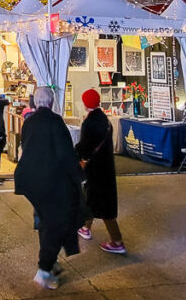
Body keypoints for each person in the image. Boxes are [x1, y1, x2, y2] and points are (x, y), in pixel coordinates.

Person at [14, 86, 84, 290]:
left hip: (31, 180)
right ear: (52, 102)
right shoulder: (55, 122)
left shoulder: (29, 122)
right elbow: (65, 153)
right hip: (50, 180)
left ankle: (49, 262)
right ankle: (44, 270)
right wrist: (78, 175)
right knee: (56, 222)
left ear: (35, 102)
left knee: (46, 219)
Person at [76, 89, 125, 254]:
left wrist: (75, 155)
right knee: (92, 199)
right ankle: (85, 227)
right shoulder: (105, 120)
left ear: (85, 103)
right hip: (106, 167)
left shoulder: (89, 123)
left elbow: (84, 147)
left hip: (95, 168)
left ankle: (117, 241)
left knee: (103, 206)